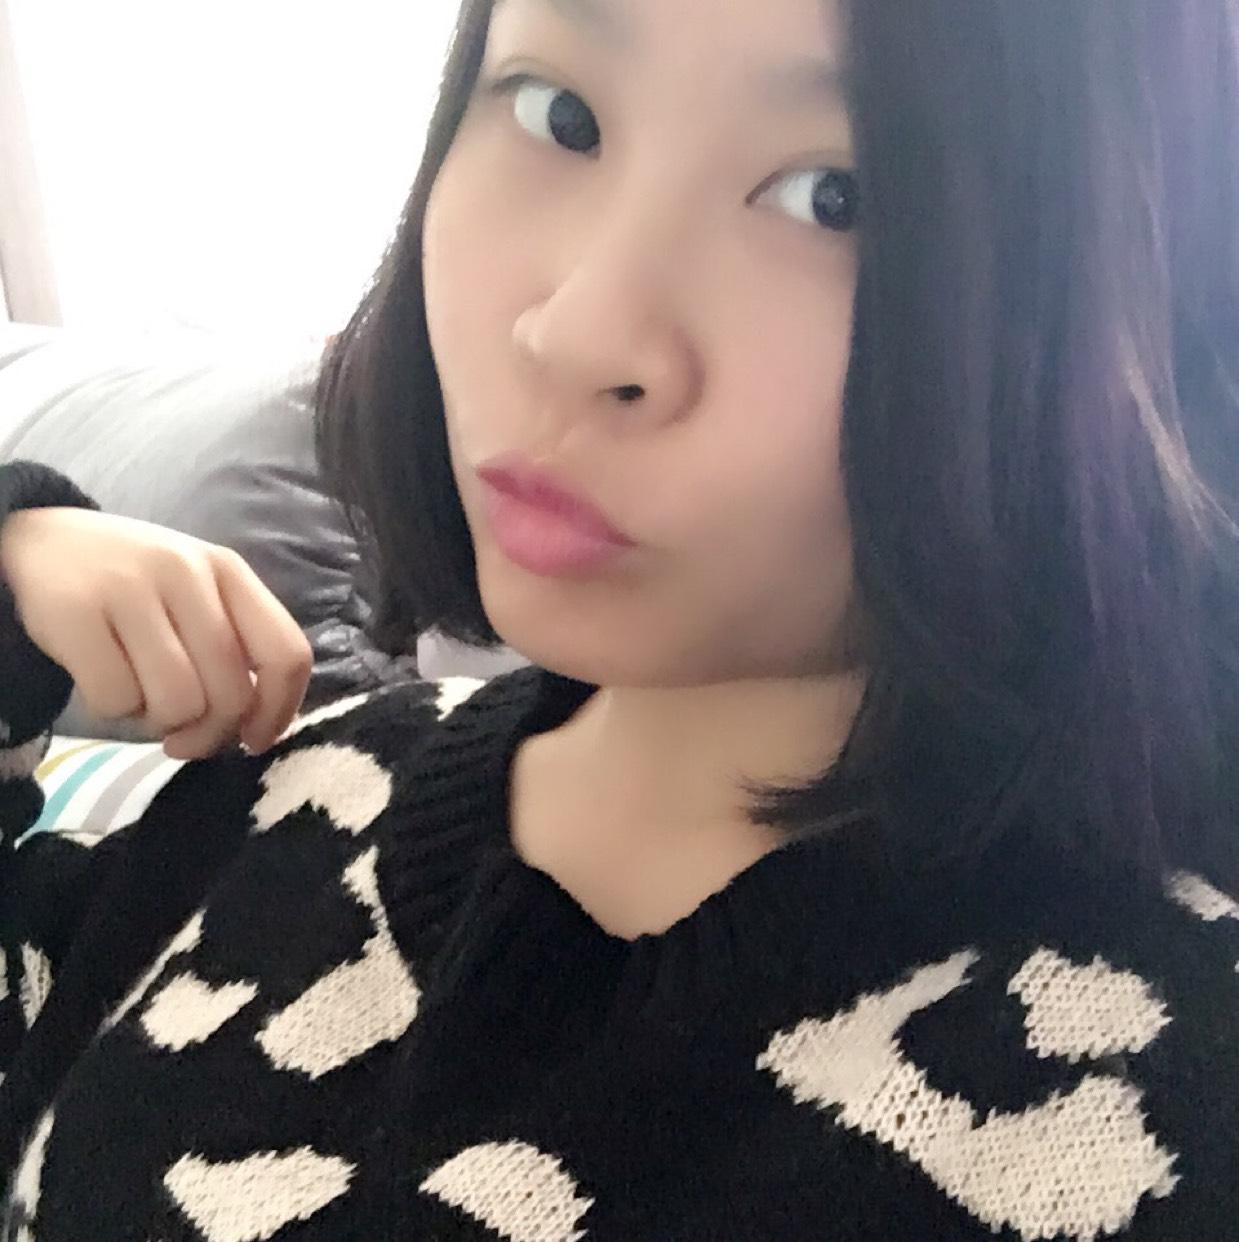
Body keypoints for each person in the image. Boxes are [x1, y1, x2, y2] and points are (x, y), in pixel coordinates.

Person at [0, 0, 1237, 1236]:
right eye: (562, 115)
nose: (577, 330)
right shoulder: (283, 796)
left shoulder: (1158, 1092)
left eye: (834, 198)